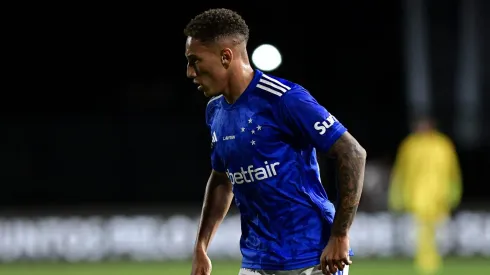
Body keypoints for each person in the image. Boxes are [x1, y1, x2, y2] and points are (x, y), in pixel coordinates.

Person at [184, 8, 367, 275]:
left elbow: (352, 152)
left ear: (226, 57)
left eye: (194, 61)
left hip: (313, 257)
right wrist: (201, 246)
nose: (190, 72)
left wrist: (339, 235)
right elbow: (223, 180)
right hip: (257, 260)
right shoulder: (215, 111)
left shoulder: (284, 99)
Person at [389, 116, 462, 275]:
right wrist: (396, 195)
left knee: (439, 232)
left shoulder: (443, 145)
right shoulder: (410, 145)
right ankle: (424, 263)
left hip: (439, 195)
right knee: (419, 231)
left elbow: (453, 172)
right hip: (416, 195)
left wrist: (454, 193)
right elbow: (400, 171)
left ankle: (432, 262)